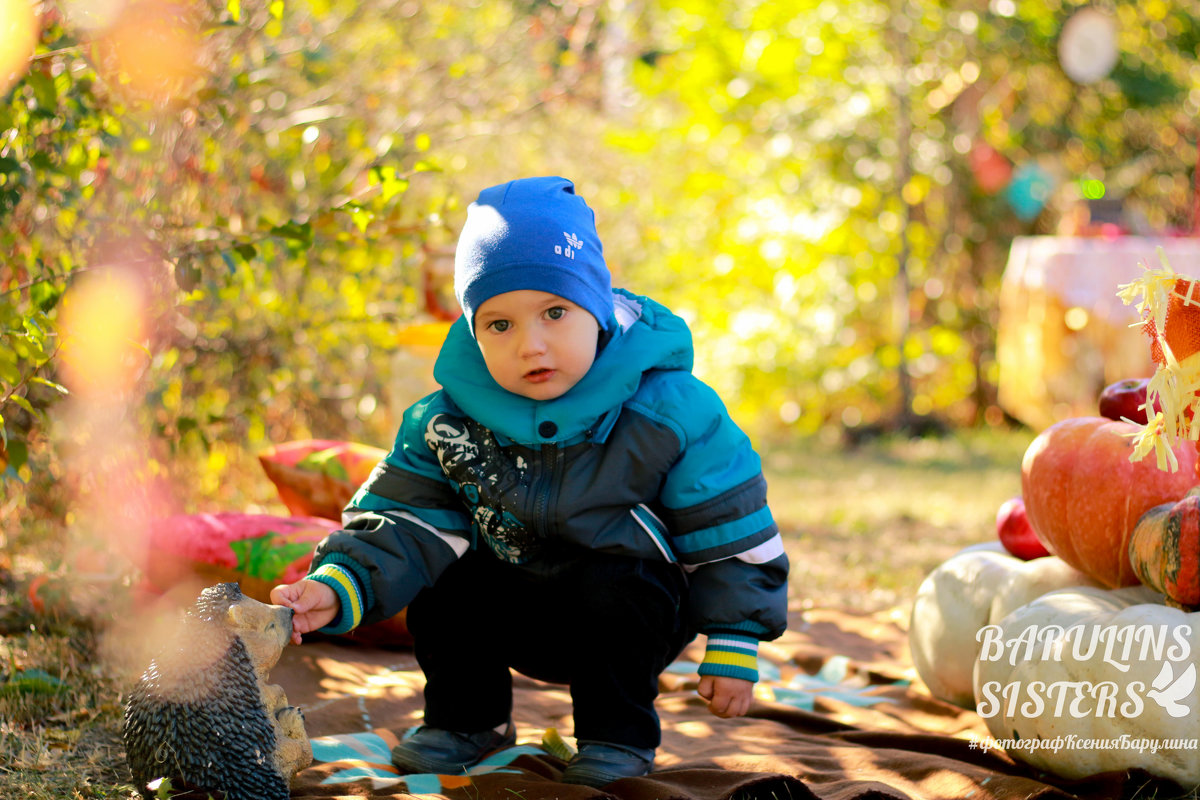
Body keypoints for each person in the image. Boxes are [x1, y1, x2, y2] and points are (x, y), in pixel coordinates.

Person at [271, 176, 790, 786]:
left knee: (616, 579)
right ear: (471, 329)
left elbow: (728, 521)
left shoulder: (670, 410)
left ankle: (614, 736)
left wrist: (734, 635)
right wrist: (339, 583)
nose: (531, 345)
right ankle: (467, 721)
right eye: (499, 325)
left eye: (554, 312)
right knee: (446, 573)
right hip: (513, 600)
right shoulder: (446, 422)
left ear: (595, 307)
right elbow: (402, 519)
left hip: (629, 610)